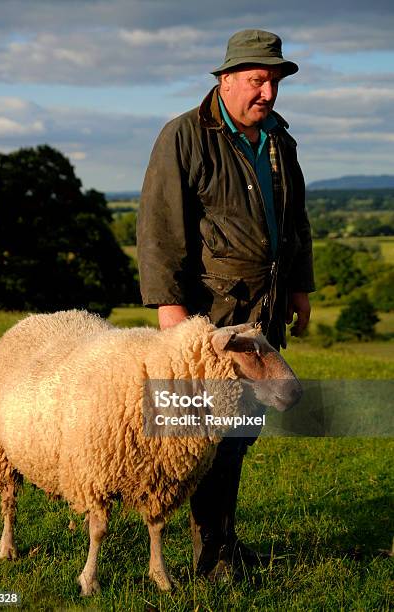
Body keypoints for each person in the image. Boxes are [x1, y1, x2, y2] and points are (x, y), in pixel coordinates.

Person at [137, 29, 315, 580]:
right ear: (226, 79)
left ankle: (219, 540)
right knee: (206, 433)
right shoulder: (185, 135)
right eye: (257, 81)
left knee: (240, 430)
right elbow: (161, 228)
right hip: (210, 318)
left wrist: (300, 289)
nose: (267, 93)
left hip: (262, 313)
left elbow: (296, 223)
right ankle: (209, 552)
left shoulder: (280, 140)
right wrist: (170, 311)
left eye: (274, 82)